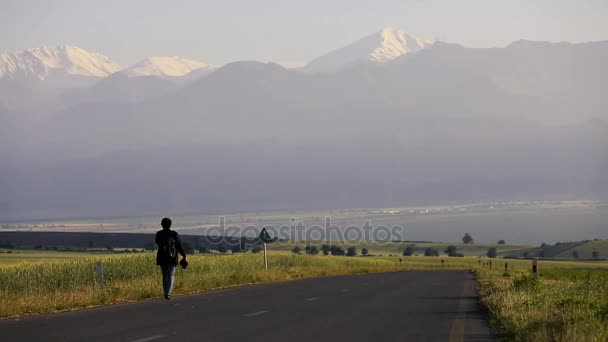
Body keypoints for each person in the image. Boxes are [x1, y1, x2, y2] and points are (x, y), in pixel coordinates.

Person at [155, 217, 187, 300]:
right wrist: (184, 255)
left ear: (162, 225)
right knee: (171, 274)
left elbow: (158, 243)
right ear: (170, 225)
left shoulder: (159, 234)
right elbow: (179, 246)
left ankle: (166, 292)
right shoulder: (174, 234)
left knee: (164, 275)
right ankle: (168, 293)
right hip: (172, 257)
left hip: (162, 257)